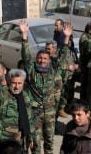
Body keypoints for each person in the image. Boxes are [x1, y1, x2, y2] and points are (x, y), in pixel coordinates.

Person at [20, 19, 62, 154]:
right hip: (35, 113)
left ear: (49, 60)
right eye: (40, 58)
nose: (42, 61)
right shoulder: (31, 70)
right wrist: (24, 36)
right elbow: (26, 56)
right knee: (36, 143)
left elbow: (57, 90)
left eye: (45, 59)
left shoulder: (53, 71)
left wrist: (65, 38)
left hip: (49, 113)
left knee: (49, 141)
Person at [0, 68, 33, 151]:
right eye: (14, 83)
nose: (17, 86)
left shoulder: (25, 96)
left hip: (20, 138)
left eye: (19, 83)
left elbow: (29, 118)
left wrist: (29, 137)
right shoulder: (3, 94)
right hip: (5, 139)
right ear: (9, 82)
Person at [79, 22, 91, 99]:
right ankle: (82, 100)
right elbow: (87, 50)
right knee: (84, 83)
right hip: (85, 62)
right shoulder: (85, 37)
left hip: (87, 62)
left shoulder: (89, 36)